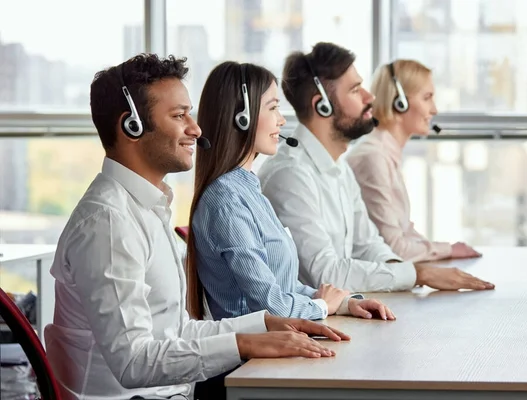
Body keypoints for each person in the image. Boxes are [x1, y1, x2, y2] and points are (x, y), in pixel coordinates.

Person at [43, 54, 348, 400]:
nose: (196, 128)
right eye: (179, 116)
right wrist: (246, 343)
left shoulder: (146, 208)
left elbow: (176, 332)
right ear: (132, 126)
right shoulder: (109, 223)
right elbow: (133, 362)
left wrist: (263, 325)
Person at [258, 42, 495, 293]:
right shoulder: (291, 176)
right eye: (355, 90)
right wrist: (418, 274)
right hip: (307, 325)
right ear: (322, 105)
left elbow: (368, 245)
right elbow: (325, 275)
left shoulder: (339, 168)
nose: (369, 97)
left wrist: (405, 272)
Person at [185, 61, 394, 323]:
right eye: (273, 107)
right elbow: (271, 305)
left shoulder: (248, 190)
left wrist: (343, 303)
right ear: (243, 117)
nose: (282, 120)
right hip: (252, 358)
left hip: (279, 343)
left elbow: (285, 289)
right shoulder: (226, 201)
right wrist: (321, 306)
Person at [346, 59, 481, 262]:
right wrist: (447, 250)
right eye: (427, 98)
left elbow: (404, 232)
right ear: (399, 102)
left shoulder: (385, 153)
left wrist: (444, 249)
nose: (434, 109)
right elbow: (394, 248)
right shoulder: (373, 158)